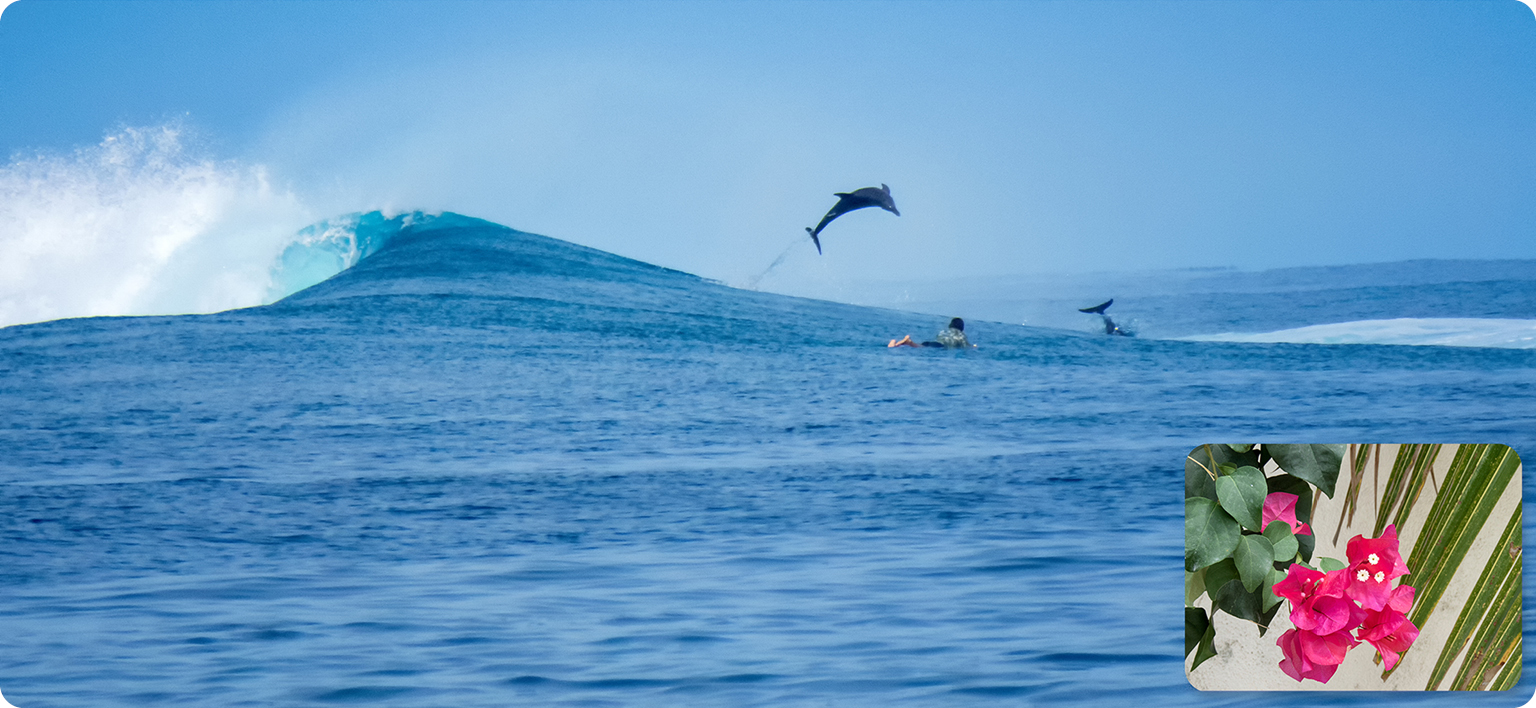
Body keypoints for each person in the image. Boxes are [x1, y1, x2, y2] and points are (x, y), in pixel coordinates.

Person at [889, 317, 973, 349]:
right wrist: (973, 347)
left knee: (920, 345)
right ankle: (908, 342)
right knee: (918, 347)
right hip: (940, 346)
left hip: (935, 343)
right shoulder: (960, 335)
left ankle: (897, 344)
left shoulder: (946, 331)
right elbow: (966, 345)